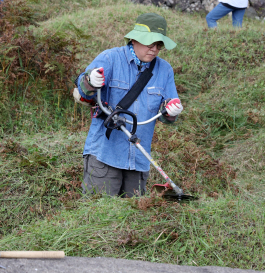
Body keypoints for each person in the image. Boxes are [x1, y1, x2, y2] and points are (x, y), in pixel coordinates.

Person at [73, 13, 184, 197]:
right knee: (99, 217)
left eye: (159, 45)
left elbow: (169, 113)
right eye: (150, 44)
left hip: (138, 160)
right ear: (134, 39)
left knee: (132, 221)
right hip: (104, 155)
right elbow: (83, 90)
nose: (154, 49)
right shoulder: (110, 59)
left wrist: (171, 112)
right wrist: (90, 81)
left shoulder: (164, 70)